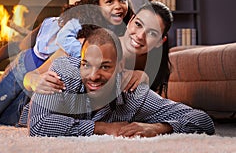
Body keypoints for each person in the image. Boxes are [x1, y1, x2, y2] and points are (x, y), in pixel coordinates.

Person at [0, 0, 136, 125]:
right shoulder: (83, 27)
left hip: (42, 76)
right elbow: (27, 43)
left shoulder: (122, 31)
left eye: (122, 0)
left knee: (8, 118)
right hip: (25, 66)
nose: (118, 6)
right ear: (97, 5)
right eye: (109, 1)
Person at [27, 27, 215, 137]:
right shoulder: (63, 73)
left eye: (105, 67)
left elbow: (203, 121)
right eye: (86, 65)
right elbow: (37, 125)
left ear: (120, 67)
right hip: (17, 108)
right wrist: (104, 128)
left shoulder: (134, 93)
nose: (93, 75)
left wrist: (158, 128)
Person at [24, 1, 173, 97]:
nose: (140, 36)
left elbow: (155, 108)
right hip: (35, 105)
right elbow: (30, 76)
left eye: (152, 33)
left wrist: (144, 80)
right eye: (138, 24)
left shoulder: (151, 65)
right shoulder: (93, 43)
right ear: (130, 21)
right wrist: (35, 81)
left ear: (160, 41)